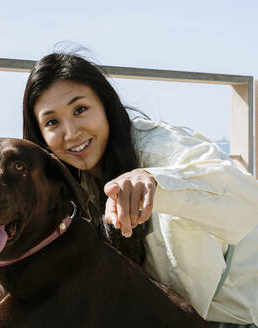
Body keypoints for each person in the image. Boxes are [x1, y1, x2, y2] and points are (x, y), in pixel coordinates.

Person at [22, 52, 258, 327]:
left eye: (80, 109)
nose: (71, 132)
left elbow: (246, 202)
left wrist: (155, 183)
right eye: (52, 122)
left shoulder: (160, 149)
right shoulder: (70, 182)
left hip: (229, 318)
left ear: (106, 105)